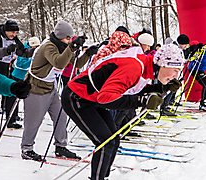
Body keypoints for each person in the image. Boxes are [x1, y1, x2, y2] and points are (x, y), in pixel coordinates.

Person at [61, 44, 183, 180]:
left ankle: (103, 177)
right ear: (162, 64)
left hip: (92, 97)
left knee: (114, 140)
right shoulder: (134, 66)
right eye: (175, 70)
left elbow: (131, 87)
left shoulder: (142, 64)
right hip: (77, 96)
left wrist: (159, 88)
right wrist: (141, 101)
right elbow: (106, 98)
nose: (176, 76)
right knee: (105, 143)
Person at [20, 20, 97, 161]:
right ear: (60, 36)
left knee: (61, 117)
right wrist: (71, 48)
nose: (69, 41)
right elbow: (59, 62)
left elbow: (77, 63)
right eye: (68, 38)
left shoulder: (63, 47)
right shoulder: (48, 46)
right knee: (33, 121)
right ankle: (27, 148)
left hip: (51, 88)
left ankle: (60, 146)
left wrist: (87, 54)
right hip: (36, 88)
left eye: (71, 39)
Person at [0, 20, 35, 131]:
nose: (14, 35)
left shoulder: (14, 39)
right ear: (6, 30)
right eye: (12, 33)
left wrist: (34, 51)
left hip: (7, 67)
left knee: (12, 92)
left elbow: (23, 51)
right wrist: (6, 50)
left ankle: (11, 120)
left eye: (16, 33)